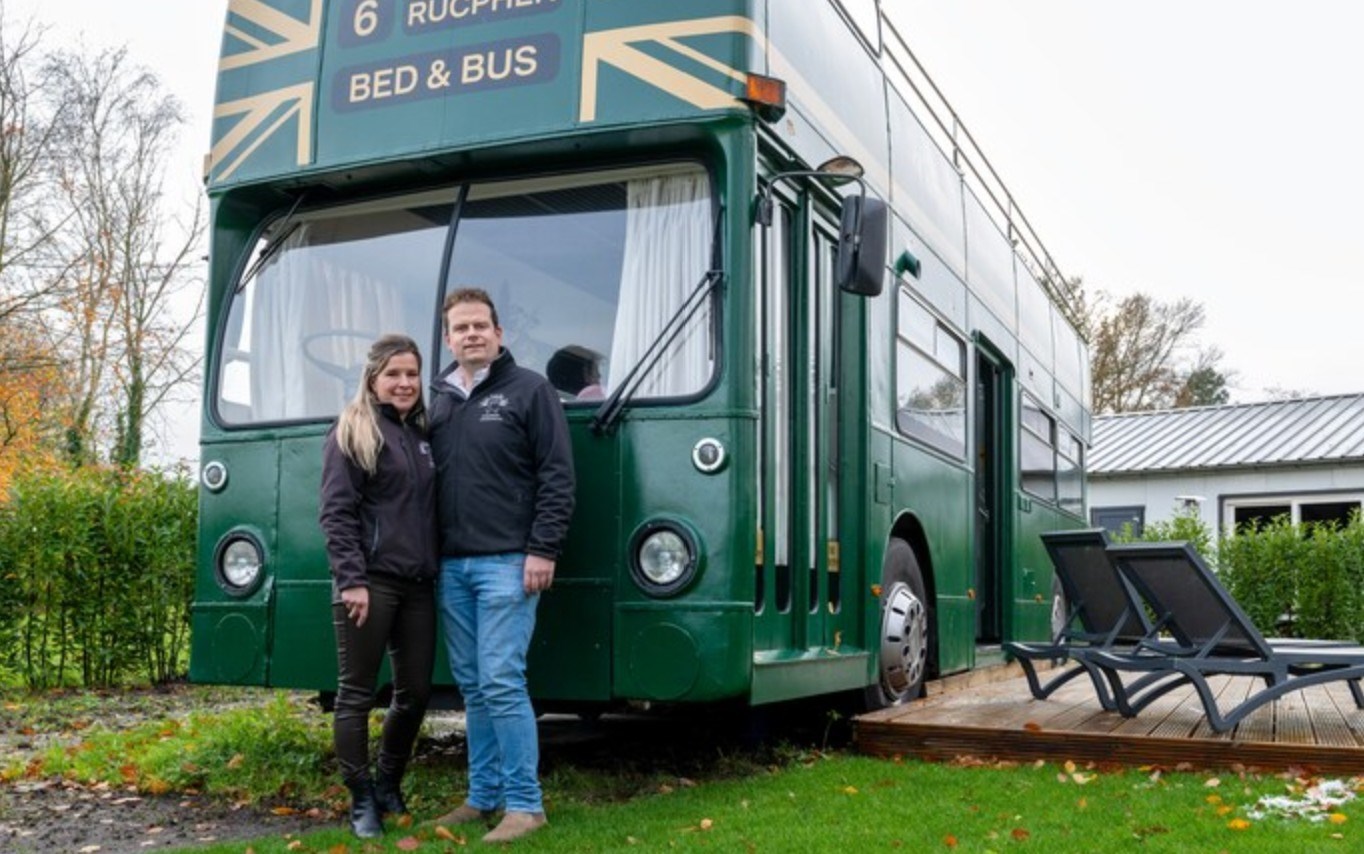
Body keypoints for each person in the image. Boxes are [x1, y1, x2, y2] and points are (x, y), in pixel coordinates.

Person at [428, 288, 575, 843]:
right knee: (473, 686)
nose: (471, 334)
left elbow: (557, 475)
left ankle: (525, 805)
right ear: (448, 339)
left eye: (480, 326)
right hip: (452, 567)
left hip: (510, 563)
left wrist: (543, 548)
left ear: (498, 333)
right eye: (460, 328)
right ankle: (482, 796)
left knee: (501, 679)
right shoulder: (438, 401)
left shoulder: (530, 390)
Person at [318, 333, 439, 839]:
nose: (405, 383)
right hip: (368, 584)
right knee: (355, 694)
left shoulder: (422, 435)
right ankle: (361, 798)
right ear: (373, 379)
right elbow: (336, 512)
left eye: (412, 374)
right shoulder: (352, 430)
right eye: (394, 374)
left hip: (417, 585)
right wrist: (351, 581)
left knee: (416, 693)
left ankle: (389, 783)